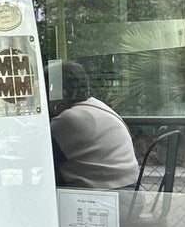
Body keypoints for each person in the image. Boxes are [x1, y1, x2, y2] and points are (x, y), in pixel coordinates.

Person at [47, 60, 139, 190]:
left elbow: (41, 156)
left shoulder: (68, 119)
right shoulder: (96, 105)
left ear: (59, 94)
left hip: (104, 194)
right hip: (129, 189)